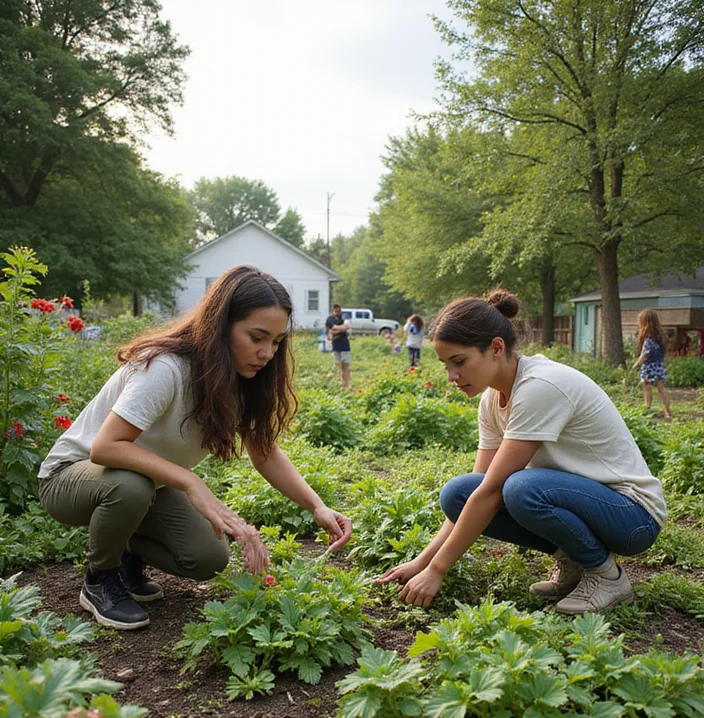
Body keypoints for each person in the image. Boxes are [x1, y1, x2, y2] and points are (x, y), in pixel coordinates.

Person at [38, 266, 352, 630]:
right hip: (69, 479)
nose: (267, 352)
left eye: (278, 341)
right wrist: (190, 482)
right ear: (221, 325)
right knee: (129, 487)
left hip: (145, 483)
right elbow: (106, 448)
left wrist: (318, 506)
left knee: (207, 558)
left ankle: (127, 551)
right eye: (257, 337)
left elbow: (263, 452)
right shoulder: (165, 367)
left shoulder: (242, 379)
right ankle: (99, 578)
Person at [378, 289, 667, 614]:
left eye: (459, 361)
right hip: (588, 505)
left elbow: (492, 492)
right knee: (458, 495)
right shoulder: (492, 399)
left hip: (632, 517)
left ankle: (607, 577)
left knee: (518, 488)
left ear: (496, 348)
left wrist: (437, 570)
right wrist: (421, 562)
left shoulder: (540, 386)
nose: (451, 376)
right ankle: (576, 561)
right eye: (445, 364)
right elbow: (477, 489)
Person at [632, 308, 672, 421]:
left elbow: (644, 355)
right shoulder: (660, 337)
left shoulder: (648, 340)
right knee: (661, 389)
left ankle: (647, 408)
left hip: (649, 368)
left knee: (646, 387)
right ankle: (667, 412)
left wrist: (635, 365)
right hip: (659, 366)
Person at [325, 303, 352, 389]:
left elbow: (348, 326)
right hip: (336, 344)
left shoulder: (343, 318)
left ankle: (346, 384)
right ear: (332, 311)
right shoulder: (330, 319)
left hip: (345, 345)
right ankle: (340, 382)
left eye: (339, 311)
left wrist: (338, 330)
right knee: (338, 365)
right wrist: (343, 328)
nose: (338, 313)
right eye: (336, 311)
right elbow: (332, 329)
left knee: (346, 365)